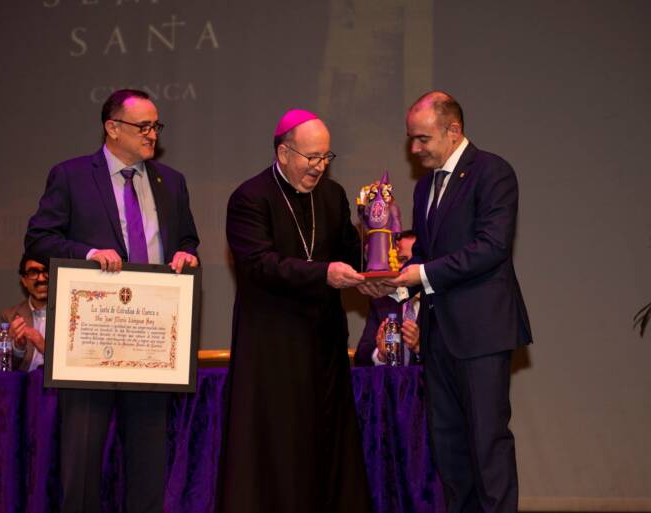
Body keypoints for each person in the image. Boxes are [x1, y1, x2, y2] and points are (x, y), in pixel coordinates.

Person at [24, 89, 200, 513]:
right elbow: (38, 238)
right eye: (144, 126)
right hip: (90, 344)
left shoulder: (171, 182)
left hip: (151, 343)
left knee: (148, 467)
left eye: (157, 125)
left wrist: (186, 254)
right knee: (82, 467)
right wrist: (86, 254)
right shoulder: (70, 176)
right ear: (112, 127)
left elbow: (188, 239)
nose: (152, 133)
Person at [217, 109, 372, 513]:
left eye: (326, 157)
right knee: (279, 449)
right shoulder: (250, 198)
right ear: (284, 152)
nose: (320, 167)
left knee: (327, 443)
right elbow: (259, 265)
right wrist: (324, 273)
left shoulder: (333, 196)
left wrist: (373, 259)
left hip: (324, 345)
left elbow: (348, 256)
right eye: (311, 157)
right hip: (274, 347)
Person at [388, 91, 533, 513]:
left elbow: (491, 248)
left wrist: (423, 274)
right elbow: (425, 255)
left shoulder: (492, 173)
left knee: (487, 445)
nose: (414, 149)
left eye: (422, 139)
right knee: (449, 451)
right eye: (411, 140)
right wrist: (394, 283)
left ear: (453, 131)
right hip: (438, 339)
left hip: (482, 334)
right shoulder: (424, 187)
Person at [353, 230, 421, 366]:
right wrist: (381, 354)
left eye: (412, 261)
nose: (405, 267)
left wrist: (419, 348)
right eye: (399, 260)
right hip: (392, 384)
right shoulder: (382, 301)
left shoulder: (438, 300)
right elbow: (361, 356)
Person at [0, 254, 48, 372]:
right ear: (24, 281)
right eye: (33, 273)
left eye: (46, 271)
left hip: (57, 388)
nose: (41, 279)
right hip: (25, 385)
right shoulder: (10, 315)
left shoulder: (70, 312)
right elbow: (0, 367)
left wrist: (43, 345)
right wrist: (18, 348)